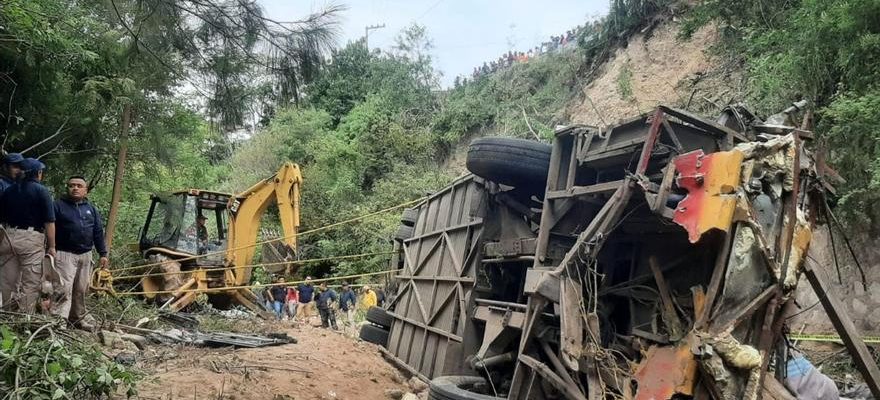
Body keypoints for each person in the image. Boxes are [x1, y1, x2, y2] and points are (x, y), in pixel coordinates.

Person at [50, 176, 108, 330]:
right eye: (71, 185)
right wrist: (50, 248)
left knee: (81, 289)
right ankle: (58, 321)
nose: (75, 188)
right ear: (67, 188)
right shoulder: (57, 206)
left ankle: (77, 319)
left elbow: (97, 232)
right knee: (63, 288)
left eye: (79, 185)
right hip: (64, 254)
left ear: (85, 190)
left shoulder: (91, 209)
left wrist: (103, 253)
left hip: (85, 254)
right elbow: (49, 228)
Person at [0, 158, 55, 313]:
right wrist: (52, 246)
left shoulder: (8, 191)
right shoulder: (41, 191)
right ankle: (25, 317)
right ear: (38, 173)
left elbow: (1, 220)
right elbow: (49, 222)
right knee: (30, 282)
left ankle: (6, 315)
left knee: (7, 280)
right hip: (31, 239)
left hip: (8, 236)